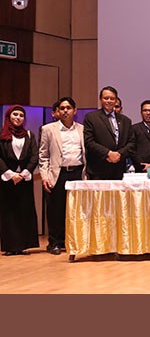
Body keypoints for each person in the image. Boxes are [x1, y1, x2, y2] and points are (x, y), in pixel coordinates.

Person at [39, 96, 85, 255]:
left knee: (75, 209)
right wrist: (44, 176)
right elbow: (43, 155)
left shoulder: (82, 129)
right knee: (55, 209)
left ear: (75, 111)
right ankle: (54, 243)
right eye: (62, 108)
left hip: (78, 172)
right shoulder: (48, 129)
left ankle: (71, 241)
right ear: (58, 111)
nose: (65, 110)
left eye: (69, 108)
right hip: (57, 173)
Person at [0, 105, 39, 255]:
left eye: (21, 115)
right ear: (9, 116)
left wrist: (24, 173)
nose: (18, 117)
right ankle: (10, 247)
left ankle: (23, 245)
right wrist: (10, 174)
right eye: (15, 114)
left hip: (24, 179)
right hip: (7, 179)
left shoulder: (29, 135)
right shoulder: (1, 135)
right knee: (8, 212)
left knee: (24, 211)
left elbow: (34, 156)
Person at [84, 85, 135, 180]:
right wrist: (108, 153)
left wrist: (118, 154)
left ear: (116, 100)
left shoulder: (126, 120)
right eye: (106, 98)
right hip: (98, 169)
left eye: (112, 98)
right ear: (100, 99)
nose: (109, 101)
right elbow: (89, 141)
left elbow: (131, 143)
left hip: (119, 169)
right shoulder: (91, 117)